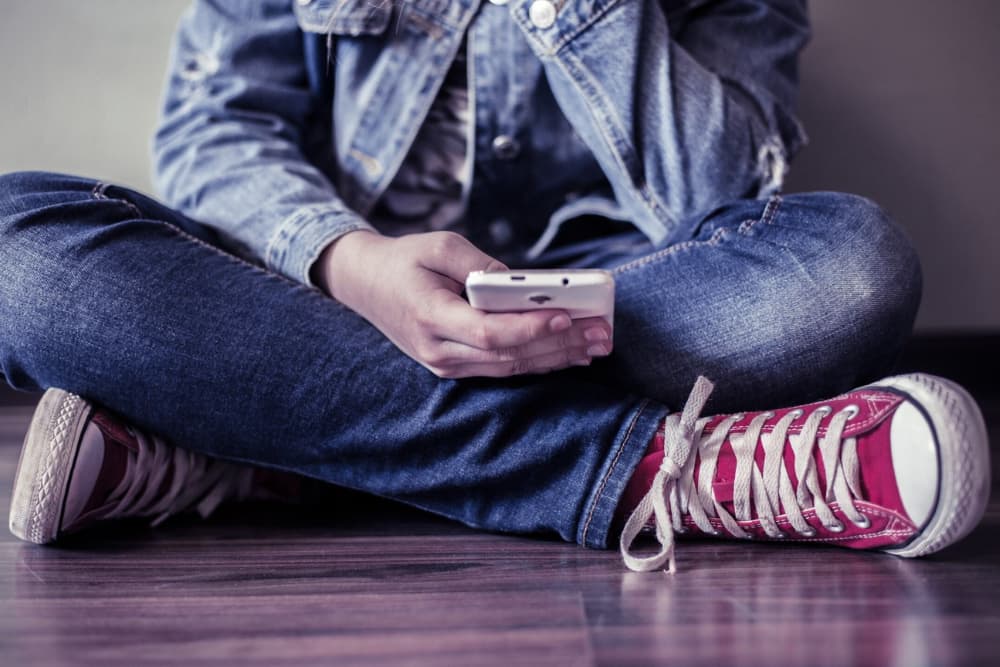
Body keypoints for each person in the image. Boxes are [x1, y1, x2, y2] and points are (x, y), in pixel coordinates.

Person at [0, 0, 989, 573]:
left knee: (853, 263)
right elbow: (214, 131)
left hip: (610, 300)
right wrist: (352, 261)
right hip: (327, 290)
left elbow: (720, 190)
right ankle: (676, 473)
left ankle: (264, 446)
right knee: (13, 248)